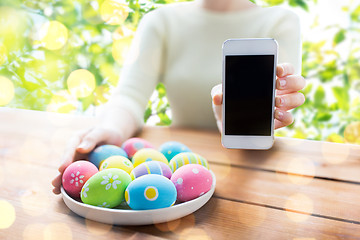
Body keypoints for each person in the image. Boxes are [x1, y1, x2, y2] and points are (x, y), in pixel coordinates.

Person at [52, 0, 306, 194]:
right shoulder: (161, 21)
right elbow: (129, 96)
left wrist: (254, 115)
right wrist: (109, 129)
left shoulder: (280, 21)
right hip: (176, 177)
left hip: (255, 178)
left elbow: (275, 98)